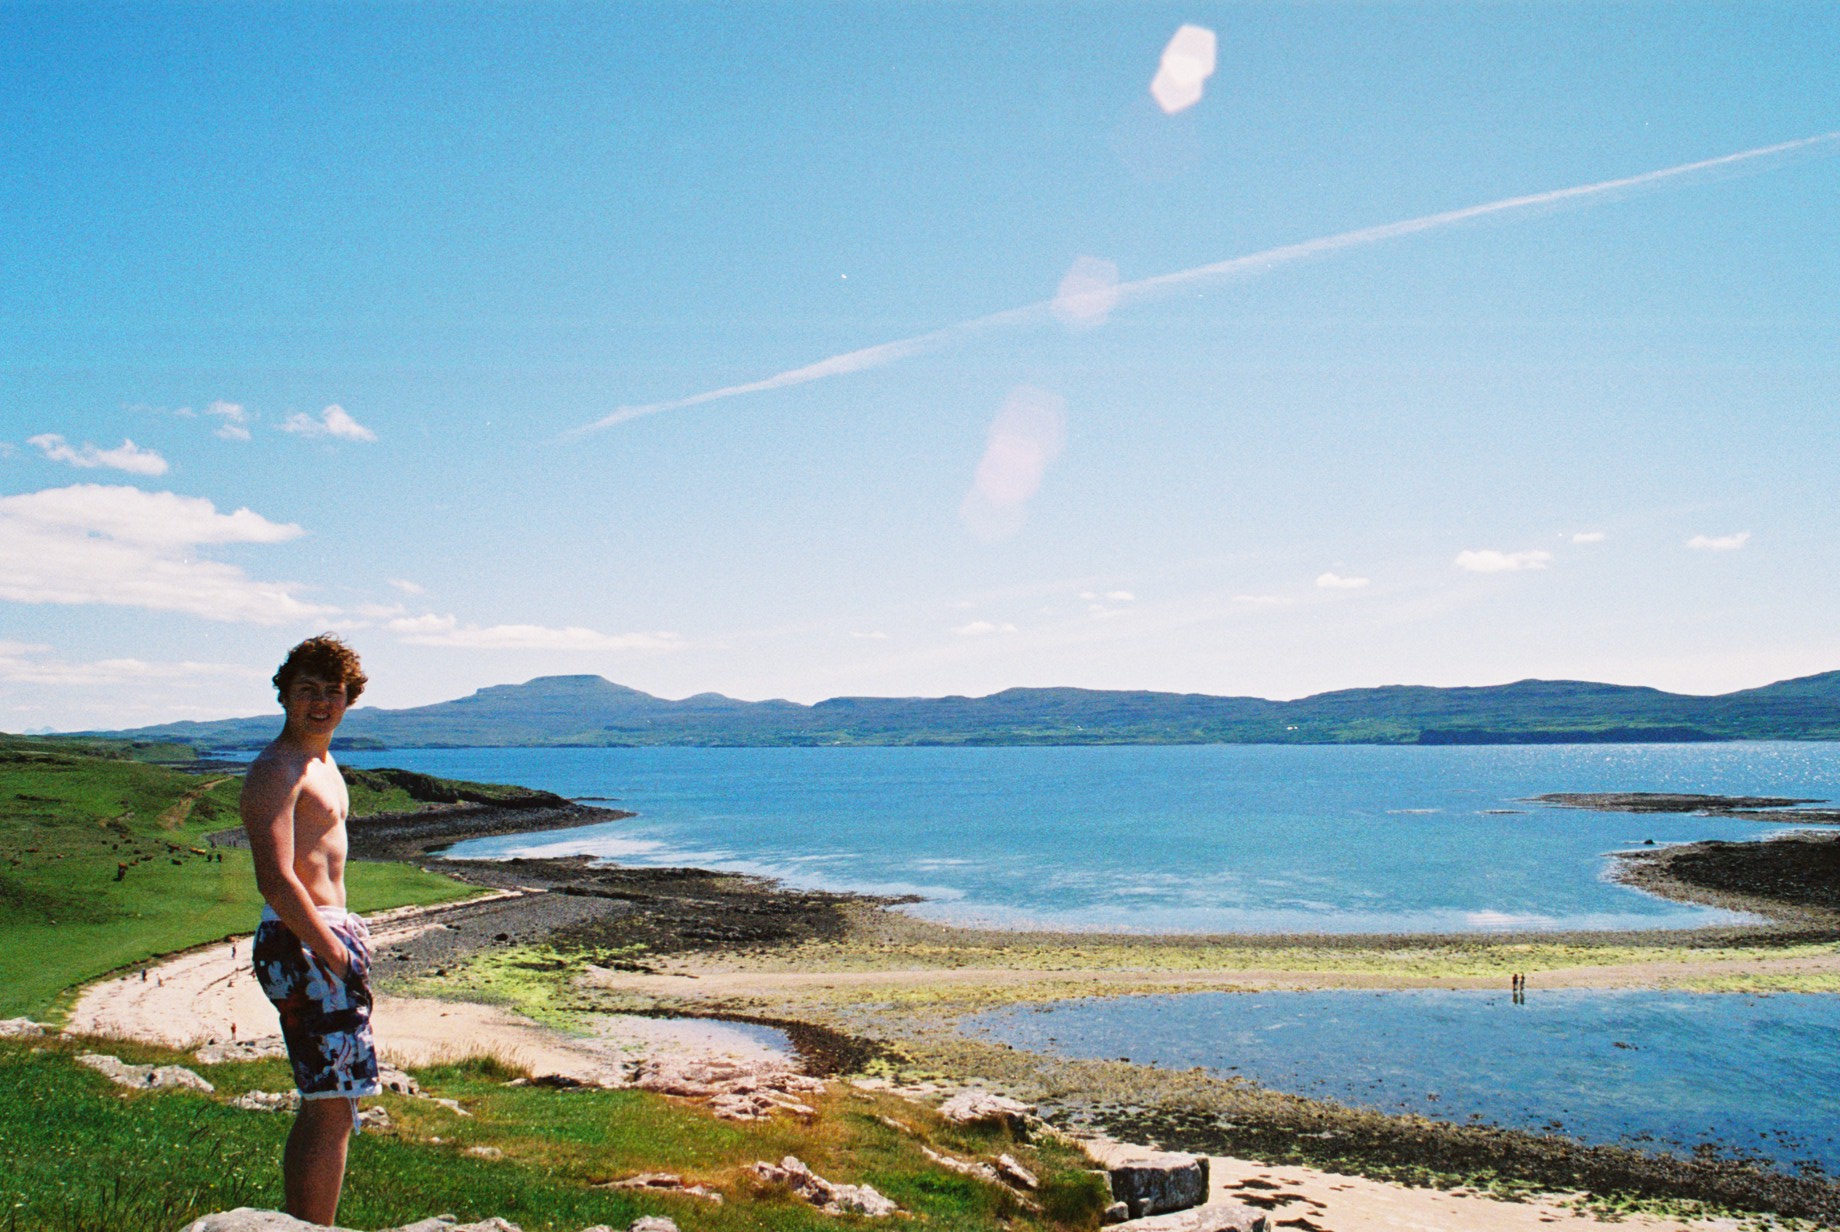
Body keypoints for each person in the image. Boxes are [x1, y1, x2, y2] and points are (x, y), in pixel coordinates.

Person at [240, 634, 377, 1226]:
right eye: (307, 691)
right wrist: (335, 955)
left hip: (325, 934)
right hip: (305, 939)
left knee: (335, 1101)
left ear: (350, 698)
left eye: (333, 692)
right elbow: (274, 879)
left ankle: (309, 1225)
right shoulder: (278, 768)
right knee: (328, 1105)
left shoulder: (323, 762)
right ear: (284, 696)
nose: (321, 703)